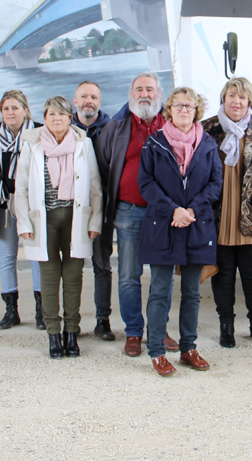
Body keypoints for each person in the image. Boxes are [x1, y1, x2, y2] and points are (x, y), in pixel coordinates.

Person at [139, 87, 222, 376]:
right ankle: (157, 352)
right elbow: (146, 184)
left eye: (189, 105)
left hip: (197, 226)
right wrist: (173, 209)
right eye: (178, 105)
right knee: (160, 291)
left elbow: (215, 184)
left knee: (192, 292)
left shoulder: (209, 144)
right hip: (162, 224)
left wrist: (192, 211)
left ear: (196, 110)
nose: (184, 110)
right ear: (169, 110)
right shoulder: (153, 144)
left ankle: (188, 348)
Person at [95, 72, 178, 357]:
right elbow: (105, 168)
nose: (145, 93)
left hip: (164, 214)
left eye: (150, 89)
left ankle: (159, 329)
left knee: (161, 276)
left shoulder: (171, 123)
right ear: (131, 94)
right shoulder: (115, 126)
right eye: (139, 89)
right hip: (128, 212)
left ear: (159, 93)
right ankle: (133, 332)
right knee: (129, 275)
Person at [15, 96, 102, 359]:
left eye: (62, 115)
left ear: (70, 118)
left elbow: (95, 186)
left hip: (76, 220)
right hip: (44, 221)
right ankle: (53, 334)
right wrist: (23, 222)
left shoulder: (82, 143)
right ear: (45, 117)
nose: (57, 119)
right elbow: (21, 188)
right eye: (51, 114)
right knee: (50, 279)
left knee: (74, 278)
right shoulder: (32, 144)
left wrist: (95, 221)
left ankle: (72, 333)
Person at [203, 77, 252, 348]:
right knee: (222, 275)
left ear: (249, 101)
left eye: (242, 96)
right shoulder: (206, 130)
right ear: (223, 100)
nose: (236, 101)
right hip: (218, 214)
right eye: (231, 96)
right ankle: (226, 325)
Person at [0, 90, 43, 330]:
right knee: (7, 257)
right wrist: (2, 191)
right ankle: (11, 311)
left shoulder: (38, 132)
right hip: (5, 203)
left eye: (15, 108)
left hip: (32, 204)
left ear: (25, 110)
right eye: (6, 108)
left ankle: (41, 311)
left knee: (36, 257)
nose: (10, 112)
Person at [71, 80, 115, 340]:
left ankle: (103, 320)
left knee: (102, 264)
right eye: (84, 96)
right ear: (74, 101)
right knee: (72, 267)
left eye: (94, 97)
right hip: (71, 208)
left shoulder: (112, 128)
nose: (89, 101)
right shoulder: (63, 128)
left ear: (100, 101)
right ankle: (71, 322)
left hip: (103, 208)